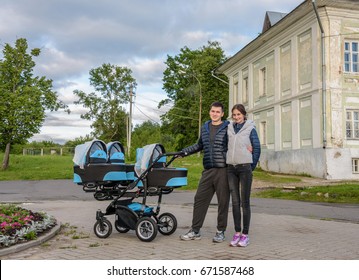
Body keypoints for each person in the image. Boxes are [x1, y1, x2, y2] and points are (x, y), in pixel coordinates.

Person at [179, 101, 230, 243]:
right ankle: (195, 231)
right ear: (210, 112)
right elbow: (199, 145)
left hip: (223, 171)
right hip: (208, 170)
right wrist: (184, 152)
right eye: (213, 111)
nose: (215, 114)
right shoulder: (205, 127)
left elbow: (235, 144)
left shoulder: (228, 127)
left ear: (222, 114)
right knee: (199, 199)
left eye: (218, 112)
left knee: (223, 202)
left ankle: (220, 231)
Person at [226, 104, 261, 247]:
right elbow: (225, 146)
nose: (236, 117)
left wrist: (251, 166)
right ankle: (237, 233)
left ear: (244, 115)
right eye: (234, 115)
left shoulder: (250, 128)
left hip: (245, 168)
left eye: (238, 115)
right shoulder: (229, 128)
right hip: (231, 169)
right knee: (235, 202)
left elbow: (257, 147)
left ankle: (245, 235)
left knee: (245, 202)